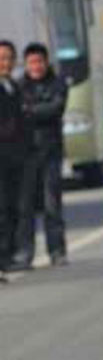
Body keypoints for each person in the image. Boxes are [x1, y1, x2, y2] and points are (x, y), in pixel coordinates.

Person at [14, 43, 69, 269]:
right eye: (31, 63)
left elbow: (55, 109)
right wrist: (32, 111)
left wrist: (29, 111)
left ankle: (57, 251)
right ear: (25, 65)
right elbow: (16, 113)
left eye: (39, 62)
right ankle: (25, 253)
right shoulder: (18, 86)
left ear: (47, 63)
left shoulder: (58, 84)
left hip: (50, 153)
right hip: (25, 154)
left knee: (51, 205)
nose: (36, 66)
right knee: (25, 207)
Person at [0, 40, 29, 279]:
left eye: (9, 58)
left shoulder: (13, 86)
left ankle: (7, 256)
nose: (6, 63)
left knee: (12, 207)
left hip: (14, 157)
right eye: (1, 59)